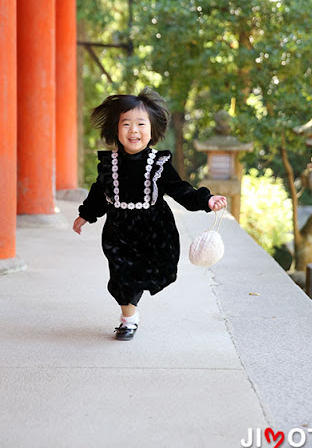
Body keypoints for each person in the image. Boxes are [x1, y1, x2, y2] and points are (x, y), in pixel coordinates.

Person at [73, 88, 227, 341]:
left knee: (154, 272)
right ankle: (128, 319)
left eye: (140, 124)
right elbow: (99, 192)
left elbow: (180, 190)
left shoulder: (159, 164)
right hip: (119, 230)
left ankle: (134, 303)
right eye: (126, 124)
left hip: (155, 230)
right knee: (122, 276)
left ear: (152, 131)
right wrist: (86, 215)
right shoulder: (109, 164)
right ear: (116, 130)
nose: (133, 130)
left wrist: (206, 200)